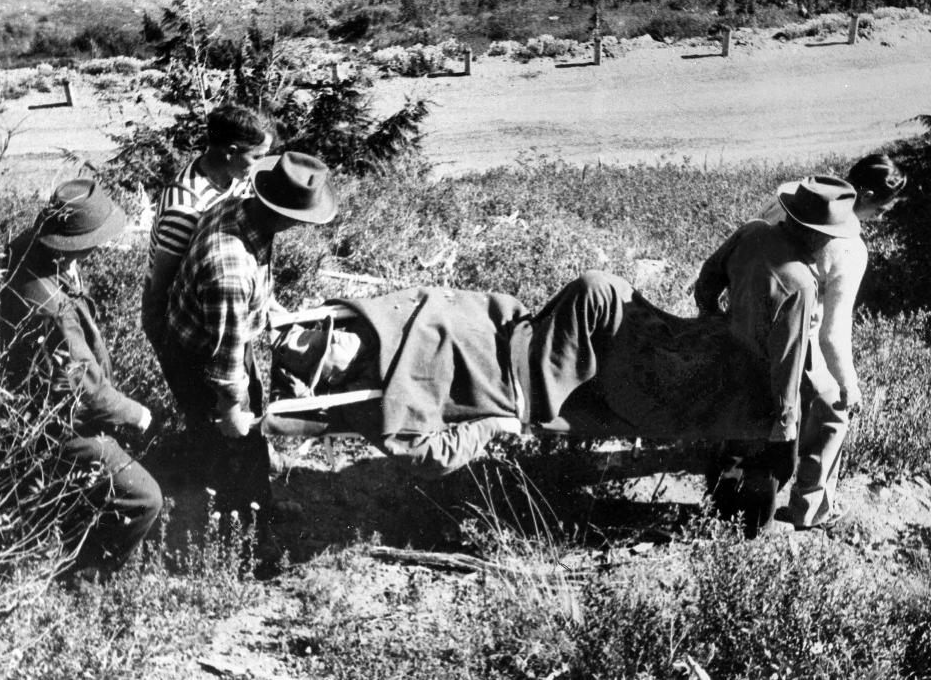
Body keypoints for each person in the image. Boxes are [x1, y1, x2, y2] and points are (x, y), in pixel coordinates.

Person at [267, 270, 779, 476]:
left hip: (536, 331)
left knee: (601, 290)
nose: (334, 337)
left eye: (326, 331)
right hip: (533, 381)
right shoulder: (393, 397)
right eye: (323, 348)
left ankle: (710, 353)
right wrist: (494, 426)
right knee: (646, 365)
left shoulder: (381, 320)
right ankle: (722, 382)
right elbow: (429, 455)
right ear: (331, 376)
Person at [160, 151, 337, 544]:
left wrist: (274, 310)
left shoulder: (246, 212)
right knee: (229, 445)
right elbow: (224, 362)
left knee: (249, 439)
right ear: (289, 215)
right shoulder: (230, 266)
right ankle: (241, 543)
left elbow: (247, 301)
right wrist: (230, 409)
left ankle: (260, 506)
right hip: (201, 360)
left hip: (227, 340)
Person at [0, 179, 163, 580]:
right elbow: (87, 393)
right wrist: (138, 413)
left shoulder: (31, 252)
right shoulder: (53, 308)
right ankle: (85, 576)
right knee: (145, 498)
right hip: (62, 427)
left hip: (30, 409)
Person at [695, 176, 862, 535]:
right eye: (831, 235)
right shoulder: (800, 283)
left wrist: (713, 321)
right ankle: (755, 531)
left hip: (730, 354)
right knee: (770, 461)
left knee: (730, 443)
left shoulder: (751, 232)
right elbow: (789, 358)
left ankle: (718, 512)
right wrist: (785, 421)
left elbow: (707, 281)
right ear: (817, 235)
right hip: (765, 375)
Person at [754, 155, 906, 529]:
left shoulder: (790, 201)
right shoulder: (850, 248)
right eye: (883, 208)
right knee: (835, 410)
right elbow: (833, 333)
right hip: (794, 335)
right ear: (866, 195)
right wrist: (849, 385)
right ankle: (813, 510)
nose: (882, 216)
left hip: (746, 319)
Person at [141, 104, 273, 357]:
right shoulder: (185, 206)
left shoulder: (234, 176)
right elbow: (160, 287)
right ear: (230, 152)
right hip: (185, 318)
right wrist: (167, 344)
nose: (260, 165)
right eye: (257, 157)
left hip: (219, 301)